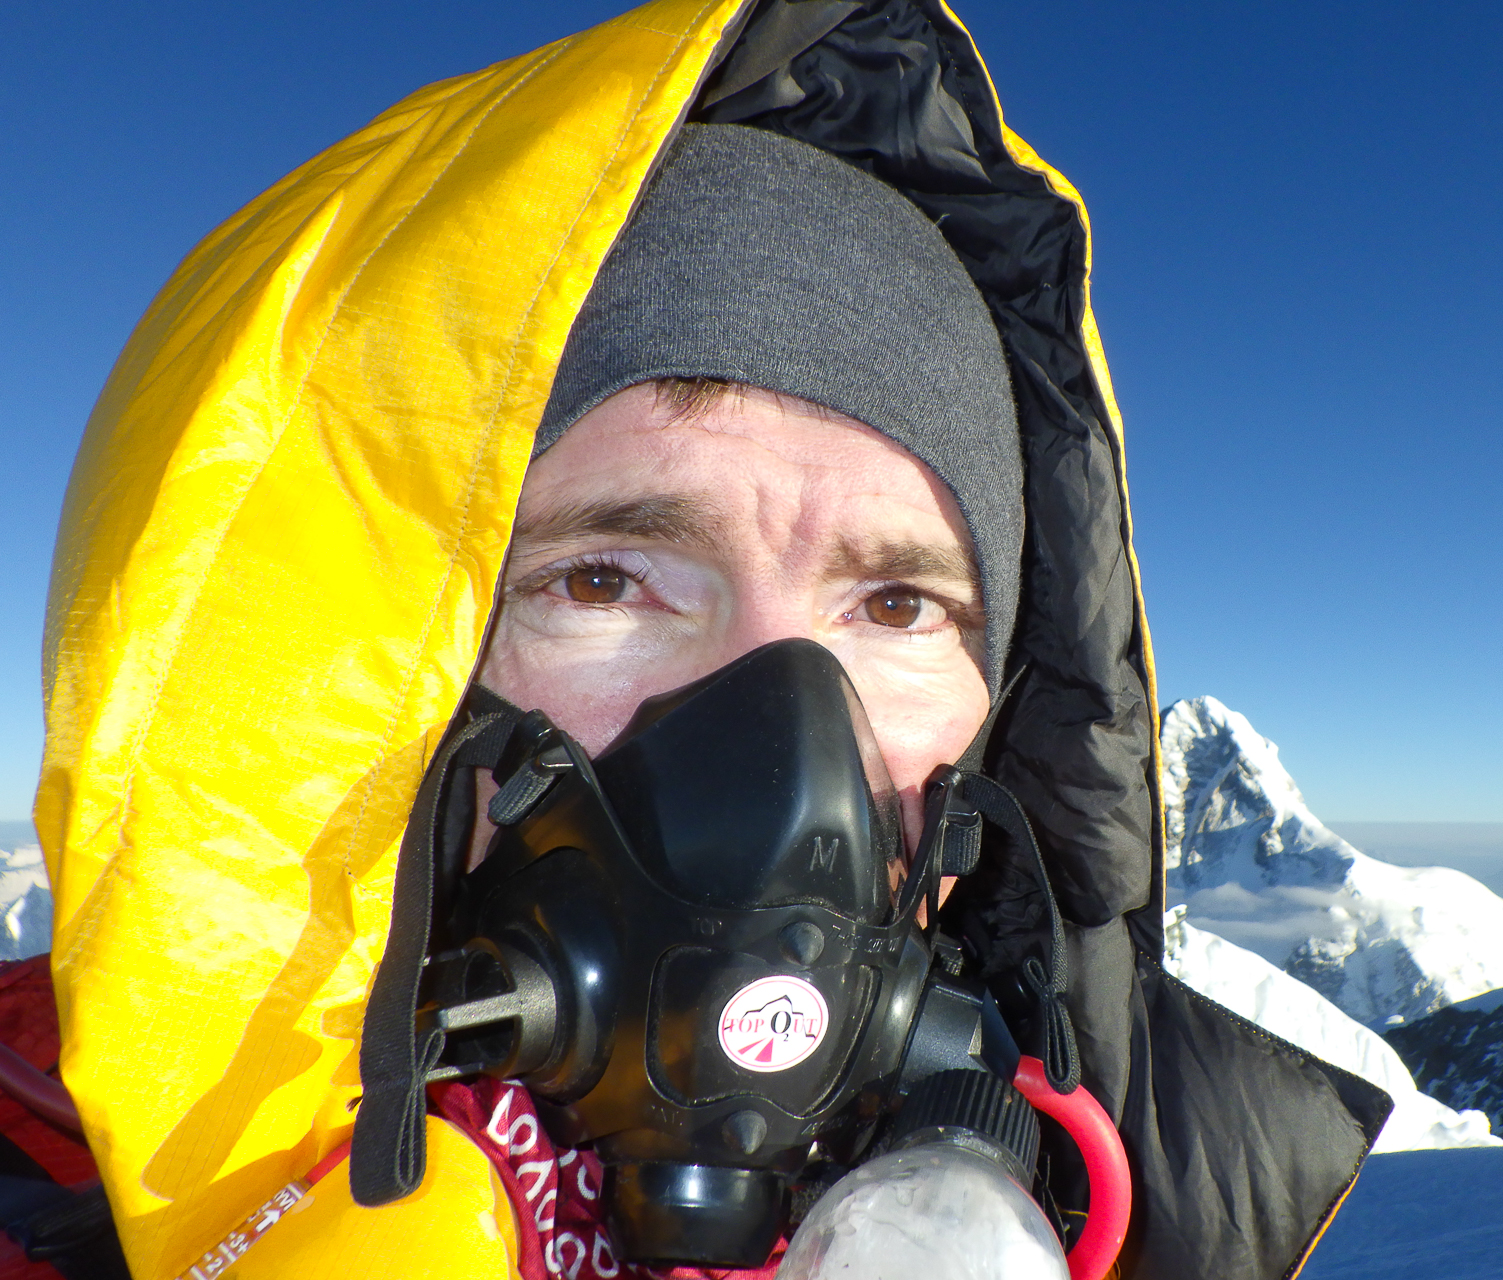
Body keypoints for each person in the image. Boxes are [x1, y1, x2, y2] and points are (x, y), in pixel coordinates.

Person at [36, 3, 1390, 1279]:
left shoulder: (1102, 1213)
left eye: (899, 606)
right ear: (384, 673)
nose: (783, 741)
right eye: (610, 580)